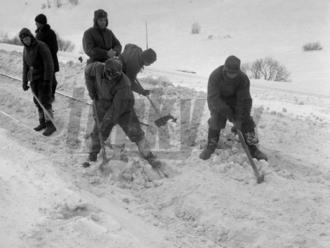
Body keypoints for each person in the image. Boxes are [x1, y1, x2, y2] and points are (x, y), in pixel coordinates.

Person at [85, 57, 162, 168]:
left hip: (124, 107)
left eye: (115, 76)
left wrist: (105, 121)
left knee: (135, 132)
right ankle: (92, 155)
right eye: (109, 74)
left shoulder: (124, 83)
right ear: (105, 70)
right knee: (98, 131)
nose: (111, 78)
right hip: (103, 102)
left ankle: (149, 156)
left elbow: (116, 109)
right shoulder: (97, 68)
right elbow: (87, 71)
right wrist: (91, 90)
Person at [200, 55, 267, 161]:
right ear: (225, 69)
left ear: (238, 71)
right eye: (229, 73)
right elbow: (213, 99)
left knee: (246, 120)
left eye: (234, 73)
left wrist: (239, 120)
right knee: (216, 118)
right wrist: (229, 114)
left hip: (235, 101)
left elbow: (244, 100)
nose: (231, 76)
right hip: (218, 101)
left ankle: (253, 148)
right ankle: (211, 144)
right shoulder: (215, 76)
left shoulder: (243, 79)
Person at [19, 28, 56, 136]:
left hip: (43, 79)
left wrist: (47, 80)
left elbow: (49, 64)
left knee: (44, 101)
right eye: (23, 39)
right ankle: (42, 122)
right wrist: (24, 82)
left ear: (30, 36)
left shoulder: (41, 46)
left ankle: (51, 124)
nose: (26, 41)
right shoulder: (25, 50)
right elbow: (25, 66)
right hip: (33, 79)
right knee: (37, 101)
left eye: (27, 38)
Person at [35, 13, 59, 102]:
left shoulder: (50, 33)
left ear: (41, 23)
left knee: (52, 81)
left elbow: (54, 48)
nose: (36, 24)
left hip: (50, 61)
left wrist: (46, 56)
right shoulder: (38, 33)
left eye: (37, 22)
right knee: (44, 80)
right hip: (40, 62)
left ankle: (50, 97)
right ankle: (46, 98)